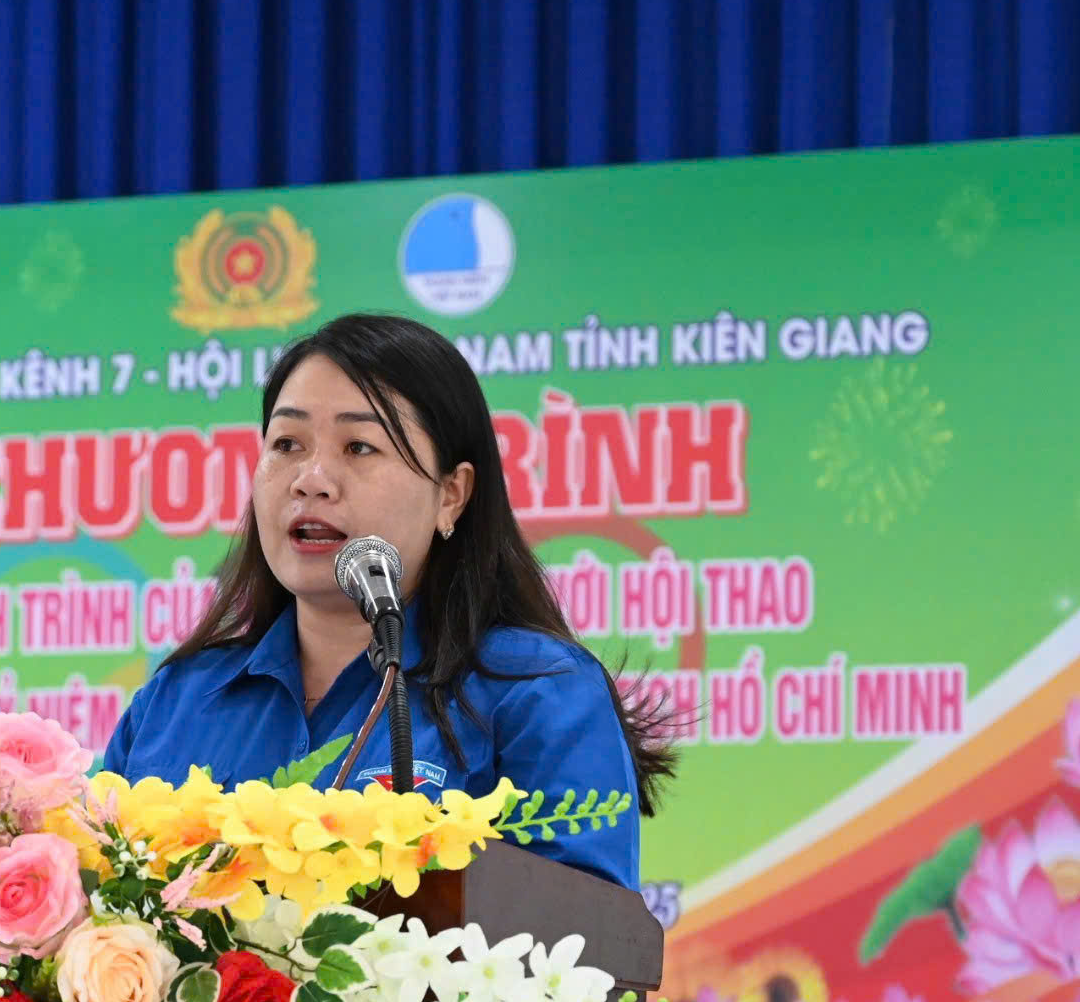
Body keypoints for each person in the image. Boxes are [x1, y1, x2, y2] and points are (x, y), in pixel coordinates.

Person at [98, 312, 674, 888]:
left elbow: (583, 931)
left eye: (359, 446)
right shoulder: (174, 704)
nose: (311, 479)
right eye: (287, 444)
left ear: (451, 495)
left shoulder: (539, 690)